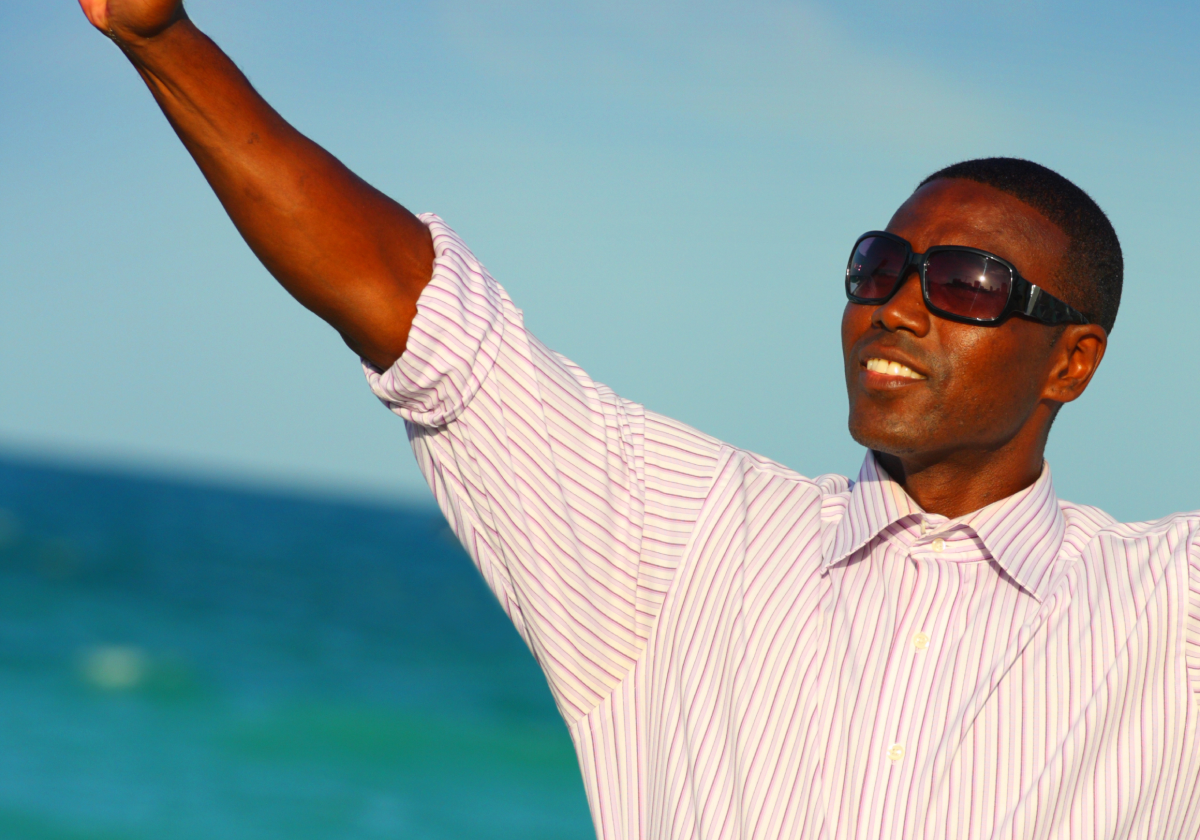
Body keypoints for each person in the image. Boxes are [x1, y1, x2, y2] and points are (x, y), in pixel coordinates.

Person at [78, 1, 1200, 838]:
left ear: (1074, 362)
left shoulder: (1165, 616)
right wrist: (163, 37)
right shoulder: (685, 540)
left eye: (964, 285)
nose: (898, 307)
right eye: (880, 266)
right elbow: (415, 313)